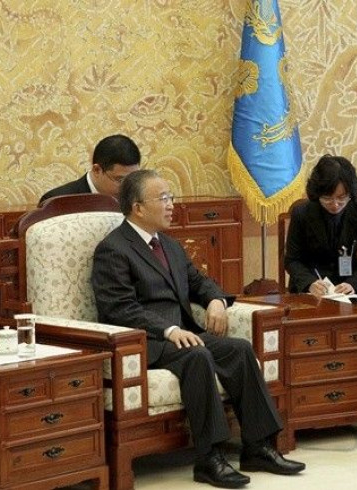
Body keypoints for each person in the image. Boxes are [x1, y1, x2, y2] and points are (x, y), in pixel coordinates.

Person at [91, 169, 305, 488]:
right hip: (144, 342)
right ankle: (209, 457)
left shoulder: (169, 246)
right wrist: (167, 330)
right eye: (162, 198)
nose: (171, 205)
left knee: (240, 350)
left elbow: (199, 282)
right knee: (198, 356)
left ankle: (258, 447)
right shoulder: (113, 249)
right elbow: (120, 308)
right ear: (137, 207)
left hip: (183, 335)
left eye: (170, 197)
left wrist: (216, 300)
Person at [284, 155, 357, 299]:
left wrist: (354, 283)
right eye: (327, 198)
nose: (335, 204)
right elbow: (292, 260)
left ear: (351, 193)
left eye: (342, 198)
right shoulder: (302, 213)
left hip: (349, 289)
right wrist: (310, 283)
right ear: (317, 194)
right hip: (311, 290)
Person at [39, 134, 141, 204]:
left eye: (133, 178)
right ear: (97, 170)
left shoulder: (138, 200)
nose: (128, 188)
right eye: (121, 180)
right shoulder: (56, 201)